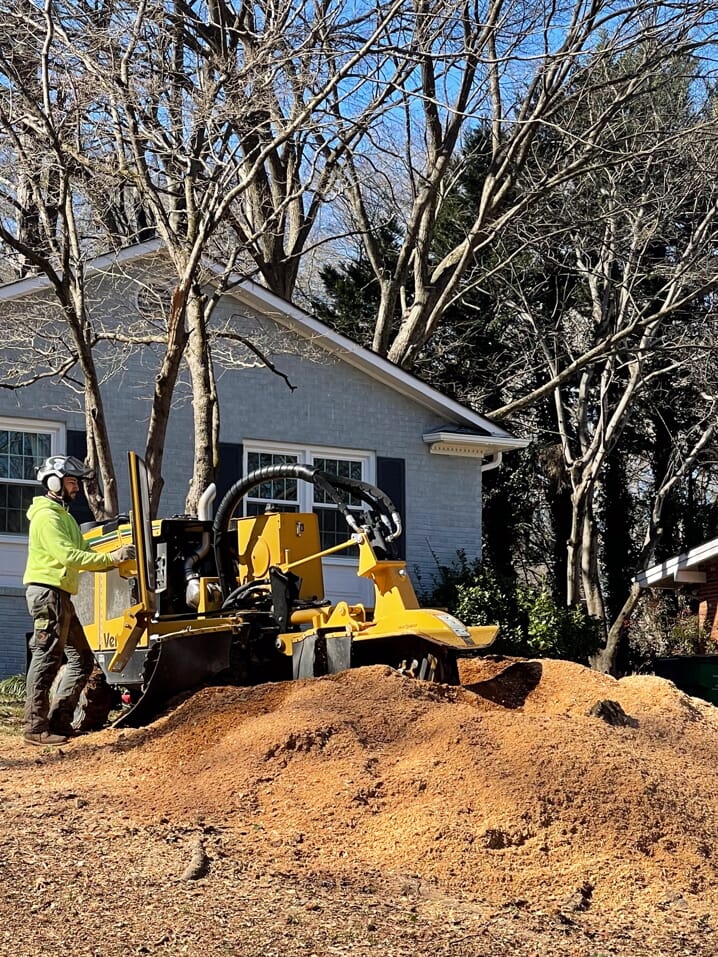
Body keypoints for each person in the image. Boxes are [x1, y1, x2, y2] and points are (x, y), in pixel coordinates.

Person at [23, 454, 135, 746]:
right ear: (53, 482)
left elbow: (88, 552)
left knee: (82, 659)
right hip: (48, 594)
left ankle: (59, 722)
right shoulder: (47, 517)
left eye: (76, 482)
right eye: (71, 481)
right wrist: (113, 558)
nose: (76, 487)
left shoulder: (66, 517)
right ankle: (34, 728)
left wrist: (117, 555)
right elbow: (69, 556)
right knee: (46, 658)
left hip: (61, 595)